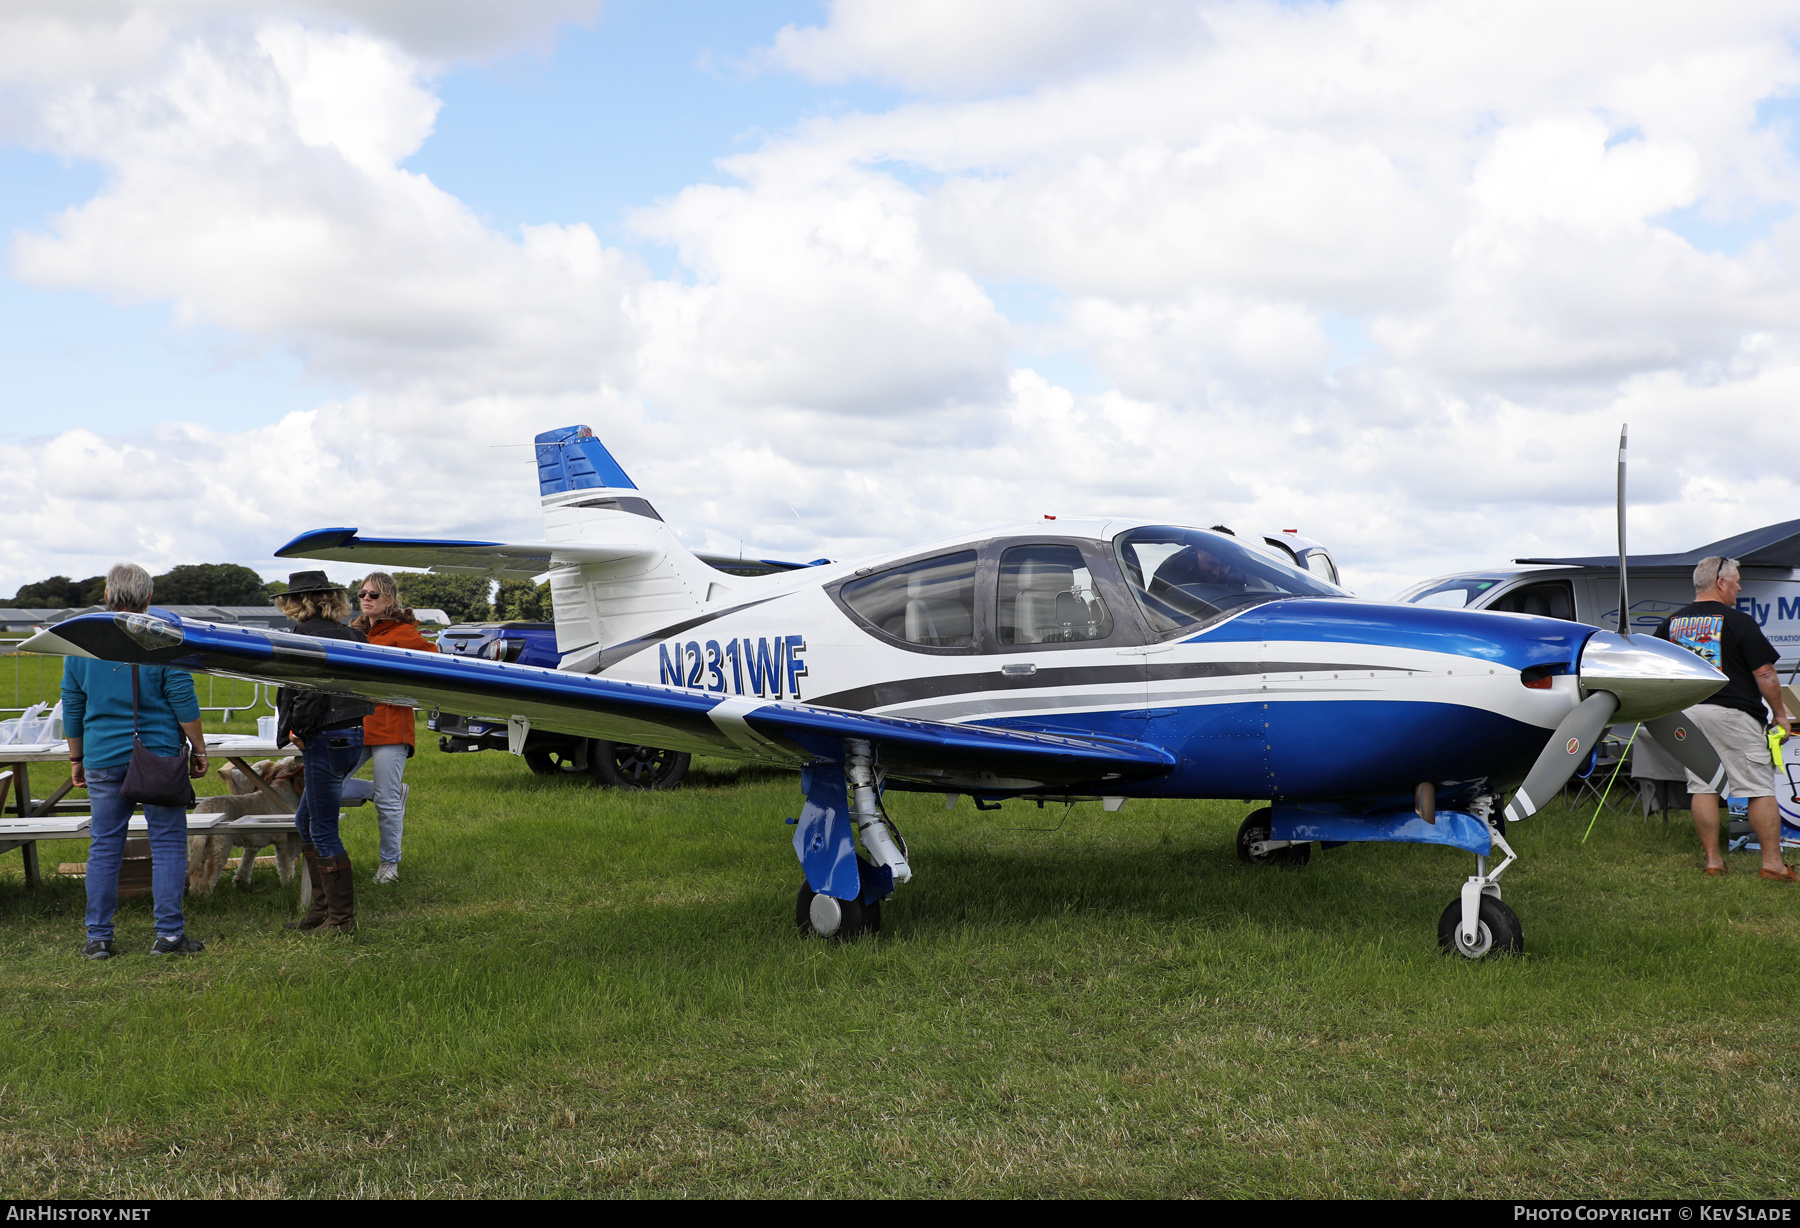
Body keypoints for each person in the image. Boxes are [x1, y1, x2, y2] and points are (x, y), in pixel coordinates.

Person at [61, 562, 209, 959]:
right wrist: (199, 746)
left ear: (108, 597)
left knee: (105, 846)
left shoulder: (81, 640)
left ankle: (98, 938)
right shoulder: (162, 638)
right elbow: (181, 696)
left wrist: (76, 755)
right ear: (148, 598)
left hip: (101, 755)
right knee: (167, 844)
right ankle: (169, 936)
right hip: (158, 754)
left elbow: (72, 703)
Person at [1654, 555, 1795, 879]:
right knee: (1759, 788)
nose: (1739, 587)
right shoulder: (1738, 621)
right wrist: (1780, 715)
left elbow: (1658, 673)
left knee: (1703, 786)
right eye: (1736, 582)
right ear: (1720, 583)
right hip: (1734, 714)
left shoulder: (1671, 623)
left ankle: (1713, 862)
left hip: (1687, 715)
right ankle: (1773, 865)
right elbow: (1766, 674)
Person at [272, 570, 375, 933]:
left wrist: (299, 728)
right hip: (351, 735)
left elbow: (307, 691)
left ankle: (341, 919)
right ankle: (322, 910)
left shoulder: (303, 637)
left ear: (302, 603)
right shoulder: (353, 635)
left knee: (324, 829)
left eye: (290, 601)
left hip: (325, 739)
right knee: (306, 822)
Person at [342, 571, 439, 883]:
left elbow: (436, 661)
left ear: (389, 600)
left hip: (391, 725)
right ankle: (388, 792)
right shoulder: (354, 633)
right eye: (362, 594)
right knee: (329, 785)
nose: (366, 599)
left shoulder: (402, 632)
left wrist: (404, 684)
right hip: (356, 723)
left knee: (386, 802)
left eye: (373, 595)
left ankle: (389, 866)